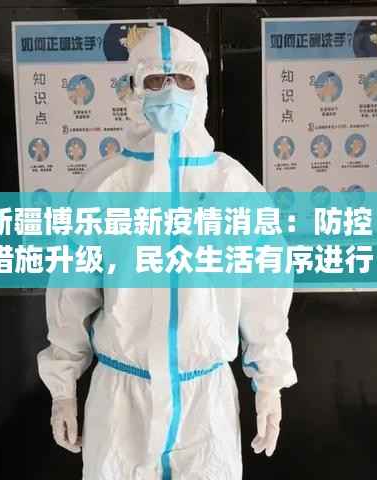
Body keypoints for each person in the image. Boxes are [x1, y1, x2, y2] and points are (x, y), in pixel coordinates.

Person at [37, 25, 297, 480]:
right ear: (134, 89)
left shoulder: (233, 187)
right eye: (156, 80)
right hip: (121, 401)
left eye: (184, 79)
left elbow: (265, 291)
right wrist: (63, 387)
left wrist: (269, 385)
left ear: (202, 89)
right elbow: (70, 293)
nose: (170, 92)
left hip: (205, 406)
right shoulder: (104, 187)